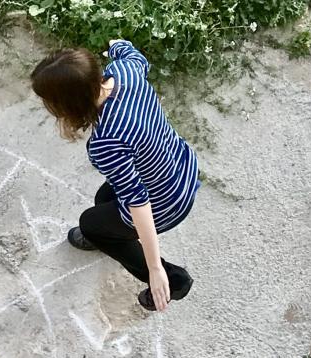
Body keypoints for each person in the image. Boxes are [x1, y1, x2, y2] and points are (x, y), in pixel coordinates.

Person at [30, 39, 200, 311]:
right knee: (103, 198)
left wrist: (155, 268)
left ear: (69, 105)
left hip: (166, 203)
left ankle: (174, 280)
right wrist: (116, 45)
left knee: (91, 223)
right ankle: (114, 236)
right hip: (179, 168)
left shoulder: (106, 143)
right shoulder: (125, 71)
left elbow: (139, 202)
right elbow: (128, 50)